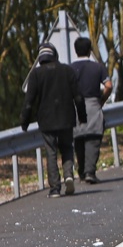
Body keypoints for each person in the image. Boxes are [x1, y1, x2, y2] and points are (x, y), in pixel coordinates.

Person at [20, 42, 87, 197]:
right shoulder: (67, 71)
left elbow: (29, 102)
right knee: (67, 148)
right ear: (54, 55)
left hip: (46, 120)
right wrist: (82, 116)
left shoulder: (36, 75)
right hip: (66, 118)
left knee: (51, 152)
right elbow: (78, 97)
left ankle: (55, 188)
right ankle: (68, 175)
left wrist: (24, 121)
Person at [70, 37, 113, 184]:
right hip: (93, 105)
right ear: (90, 51)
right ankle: (90, 172)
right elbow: (109, 85)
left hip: (76, 107)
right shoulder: (98, 67)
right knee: (93, 139)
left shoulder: (70, 69)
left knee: (79, 139)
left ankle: (82, 172)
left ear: (76, 51)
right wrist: (102, 100)